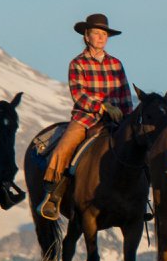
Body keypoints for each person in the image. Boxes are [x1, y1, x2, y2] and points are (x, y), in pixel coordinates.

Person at [37, 13, 135, 221]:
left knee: (136, 147)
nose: (100, 37)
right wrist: (101, 107)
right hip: (86, 118)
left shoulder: (116, 64)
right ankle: (52, 195)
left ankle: (140, 199)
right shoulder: (78, 63)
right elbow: (78, 94)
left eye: (104, 34)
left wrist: (128, 118)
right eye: (96, 34)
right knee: (64, 147)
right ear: (86, 37)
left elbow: (125, 94)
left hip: (116, 119)